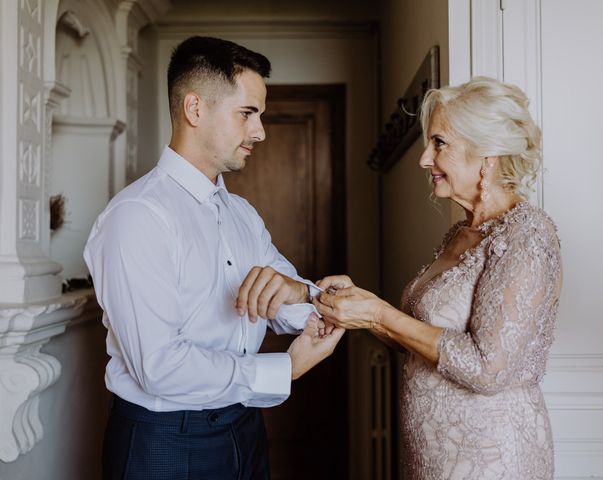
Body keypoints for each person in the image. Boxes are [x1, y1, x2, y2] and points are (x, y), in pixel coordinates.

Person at [84, 36, 344, 480]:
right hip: (164, 443)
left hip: (244, 429)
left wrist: (302, 291)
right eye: (248, 113)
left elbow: (291, 304)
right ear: (195, 109)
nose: (260, 130)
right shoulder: (135, 218)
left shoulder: (242, 214)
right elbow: (160, 367)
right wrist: (286, 369)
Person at [314, 77, 561, 479]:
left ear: (487, 154)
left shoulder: (526, 236)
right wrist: (362, 306)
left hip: (491, 457)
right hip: (432, 456)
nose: (424, 159)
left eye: (439, 143)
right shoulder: (459, 233)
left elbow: (487, 368)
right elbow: (424, 341)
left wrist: (380, 314)